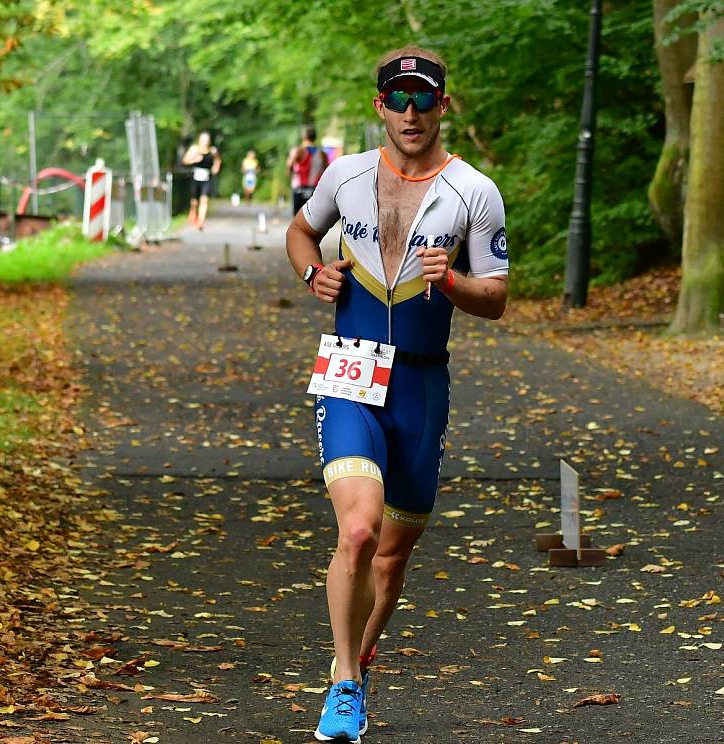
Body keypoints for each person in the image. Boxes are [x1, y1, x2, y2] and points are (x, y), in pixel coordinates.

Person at [286, 46, 508, 743]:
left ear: (443, 105)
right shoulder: (346, 175)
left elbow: (496, 297)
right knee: (357, 530)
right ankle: (344, 685)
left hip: (420, 379)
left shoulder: (475, 190)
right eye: (398, 98)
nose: (410, 112)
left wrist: (452, 283)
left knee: (392, 552)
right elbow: (300, 231)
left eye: (424, 99)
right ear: (379, 105)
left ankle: (362, 651)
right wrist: (310, 273)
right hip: (349, 368)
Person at [182, 132, 221, 230]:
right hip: (195, 177)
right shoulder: (195, 149)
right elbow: (185, 161)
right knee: (194, 201)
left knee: (204, 200)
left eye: (207, 139)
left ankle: (200, 221)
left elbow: (217, 160)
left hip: (207, 178)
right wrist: (194, 160)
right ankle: (193, 211)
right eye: (204, 139)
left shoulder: (212, 151)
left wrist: (215, 168)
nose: (206, 142)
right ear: (200, 140)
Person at [287, 126, 329, 215]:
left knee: (298, 220)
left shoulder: (299, 151)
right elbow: (327, 171)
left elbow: (290, 165)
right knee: (314, 219)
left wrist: (291, 172)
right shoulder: (322, 154)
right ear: (315, 137)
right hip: (315, 190)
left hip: (299, 189)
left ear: (304, 137)